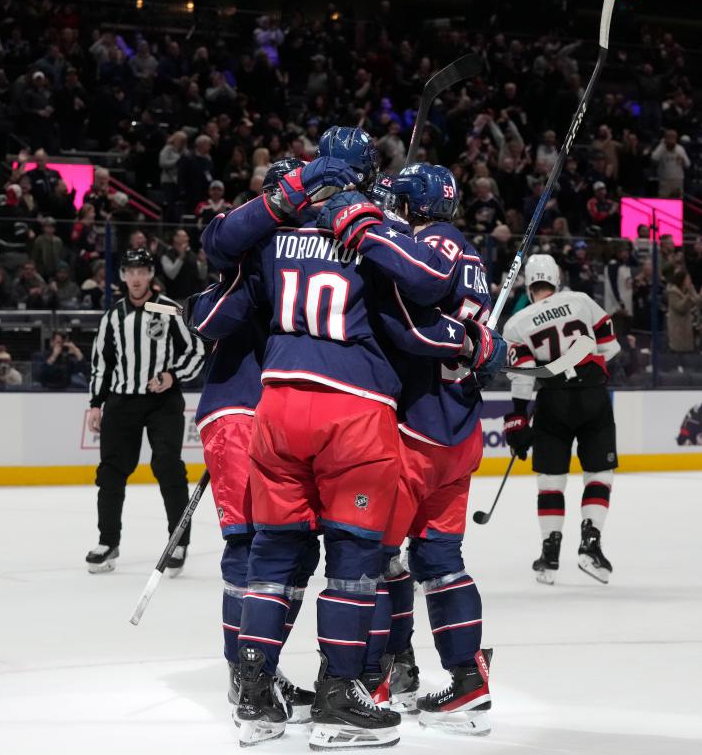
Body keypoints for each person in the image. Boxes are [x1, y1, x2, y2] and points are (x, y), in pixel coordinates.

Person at [192, 127, 502, 748]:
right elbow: (423, 301)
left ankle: (254, 693)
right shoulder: (371, 237)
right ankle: (343, 693)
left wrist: (277, 211)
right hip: (357, 413)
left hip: (277, 405)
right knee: (359, 562)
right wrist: (472, 343)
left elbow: (211, 309)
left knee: (272, 554)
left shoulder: (270, 237)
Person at [366, 164, 497, 734]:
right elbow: (481, 344)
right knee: (440, 561)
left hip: (416, 428)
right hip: (461, 430)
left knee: (375, 556)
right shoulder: (470, 254)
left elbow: (409, 323)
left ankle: (384, 671)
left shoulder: (431, 244)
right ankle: (467, 677)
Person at [190, 157, 316, 725]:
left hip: (282, 417)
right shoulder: (244, 259)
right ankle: (243, 671)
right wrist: (254, 279)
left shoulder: (302, 260)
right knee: (249, 546)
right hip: (238, 413)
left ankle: (259, 662)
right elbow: (207, 319)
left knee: (292, 547)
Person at [85, 248, 206, 574]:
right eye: (130, 271)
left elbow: (196, 350)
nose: (136, 278)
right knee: (111, 471)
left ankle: (178, 542)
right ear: (123, 276)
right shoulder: (113, 315)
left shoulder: (166, 308)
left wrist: (172, 375)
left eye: (142, 271)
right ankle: (108, 541)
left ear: (150, 274)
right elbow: (101, 363)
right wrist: (96, 404)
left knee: (167, 465)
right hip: (121, 402)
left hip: (162, 402)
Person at [502, 254, 621, 584]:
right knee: (599, 473)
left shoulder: (517, 323)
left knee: (550, 480)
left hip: (553, 400)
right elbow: (611, 347)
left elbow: (524, 375)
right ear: (557, 278)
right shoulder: (581, 301)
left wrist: (517, 419)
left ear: (528, 283)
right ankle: (591, 544)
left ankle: (550, 555)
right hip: (593, 394)